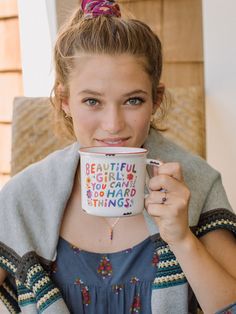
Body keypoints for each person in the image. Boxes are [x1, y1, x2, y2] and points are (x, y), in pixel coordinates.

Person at [0, 0, 236, 313]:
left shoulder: (198, 184)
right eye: (92, 101)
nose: (113, 125)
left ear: (156, 100)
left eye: (133, 100)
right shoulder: (24, 197)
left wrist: (182, 238)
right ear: (64, 101)